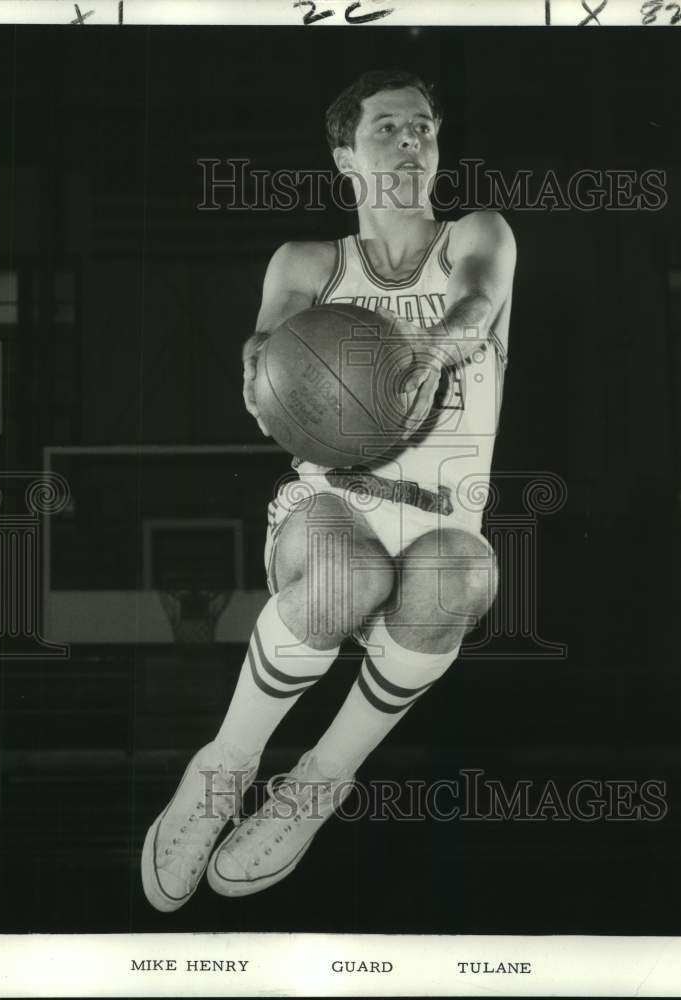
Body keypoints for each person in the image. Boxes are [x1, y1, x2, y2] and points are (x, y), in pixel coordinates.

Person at [141, 68, 516, 911]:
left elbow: (477, 300)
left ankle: (313, 786)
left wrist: (425, 352)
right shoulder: (311, 258)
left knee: (460, 572)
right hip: (331, 502)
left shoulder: (474, 234)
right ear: (345, 154)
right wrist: (258, 361)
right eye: (386, 127)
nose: (410, 138)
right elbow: (273, 327)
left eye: (422, 126)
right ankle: (222, 770)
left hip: (440, 521)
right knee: (350, 578)